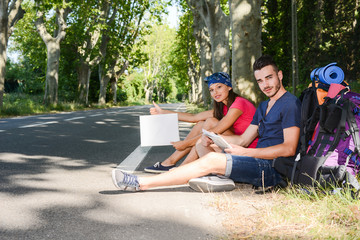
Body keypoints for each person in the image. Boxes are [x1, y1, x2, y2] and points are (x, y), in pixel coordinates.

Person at [112, 55, 301, 192]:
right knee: (203, 147)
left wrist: (246, 152)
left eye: (269, 78)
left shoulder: (290, 103)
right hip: (254, 160)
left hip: (271, 170)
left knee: (211, 160)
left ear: (280, 75)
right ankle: (216, 176)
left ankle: (139, 183)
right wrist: (216, 141)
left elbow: (289, 148)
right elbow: (244, 139)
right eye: (260, 80)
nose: (265, 85)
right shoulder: (263, 106)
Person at [144, 72, 258, 173]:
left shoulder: (239, 104)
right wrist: (162, 112)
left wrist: (186, 143)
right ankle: (171, 163)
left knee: (210, 122)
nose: (215, 92)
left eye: (219, 87)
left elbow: (216, 131)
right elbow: (194, 117)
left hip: (247, 147)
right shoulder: (223, 107)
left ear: (229, 87)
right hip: (233, 142)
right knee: (200, 124)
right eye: (212, 90)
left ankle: (182, 168)